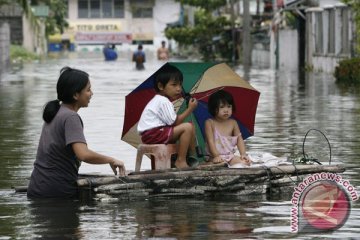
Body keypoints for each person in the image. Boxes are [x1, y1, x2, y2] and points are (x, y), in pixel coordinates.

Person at [27, 67, 126, 199]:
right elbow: (83, 154)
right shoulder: (70, 117)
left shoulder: (55, 112)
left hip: (37, 187)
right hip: (56, 192)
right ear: (75, 95)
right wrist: (111, 160)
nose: (91, 93)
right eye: (88, 89)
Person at [137, 64, 198, 169]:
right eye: (174, 85)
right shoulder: (163, 101)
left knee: (190, 126)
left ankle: (191, 157)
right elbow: (174, 122)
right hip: (154, 134)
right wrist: (190, 109)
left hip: (152, 134)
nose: (178, 89)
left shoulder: (160, 100)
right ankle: (181, 161)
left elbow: (170, 122)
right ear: (161, 86)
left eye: (180, 85)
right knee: (188, 127)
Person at [204, 90, 252, 166]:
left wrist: (243, 154)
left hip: (229, 156)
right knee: (221, 165)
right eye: (222, 107)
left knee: (245, 163)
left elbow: (239, 139)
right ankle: (208, 163)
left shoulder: (233, 123)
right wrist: (216, 156)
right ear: (214, 108)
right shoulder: (209, 123)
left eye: (229, 106)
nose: (226, 110)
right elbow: (210, 141)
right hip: (213, 157)